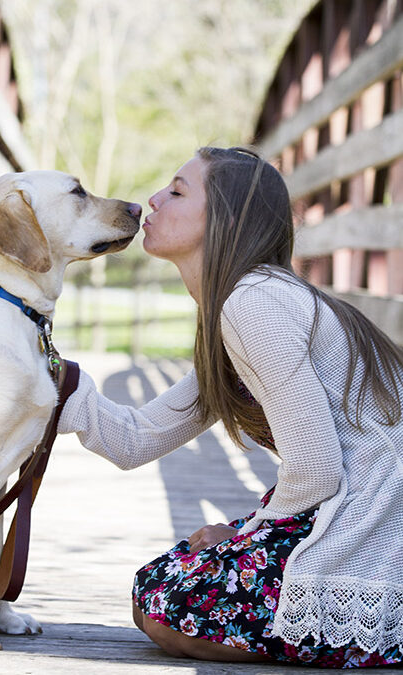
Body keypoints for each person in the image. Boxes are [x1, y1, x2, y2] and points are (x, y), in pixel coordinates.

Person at [57, 146, 403, 667]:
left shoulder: (254, 303)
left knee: (170, 603)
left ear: (226, 217)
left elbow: (315, 471)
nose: (152, 200)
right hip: (356, 507)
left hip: (378, 523)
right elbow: (133, 439)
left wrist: (239, 535)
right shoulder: (237, 306)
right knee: (166, 588)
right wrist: (53, 379)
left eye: (176, 192)